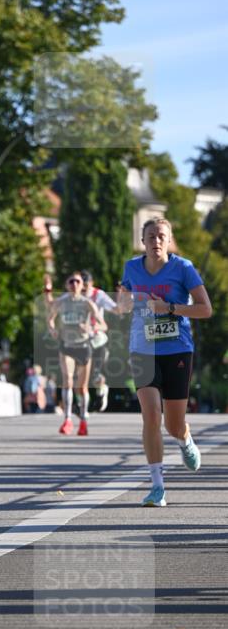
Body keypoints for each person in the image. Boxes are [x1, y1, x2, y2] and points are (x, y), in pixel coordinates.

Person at [117, 217, 212, 507]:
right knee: (150, 415)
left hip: (177, 349)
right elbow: (122, 305)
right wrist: (127, 300)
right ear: (142, 241)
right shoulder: (131, 267)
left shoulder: (183, 268)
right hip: (142, 348)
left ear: (169, 241)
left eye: (161, 236)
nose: (156, 241)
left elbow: (205, 309)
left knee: (173, 424)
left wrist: (168, 307)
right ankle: (157, 486)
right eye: (151, 236)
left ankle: (184, 439)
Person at [47, 272, 106, 436]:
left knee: (82, 388)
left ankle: (83, 420)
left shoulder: (87, 303)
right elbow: (50, 318)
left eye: (77, 281)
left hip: (83, 346)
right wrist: (52, 329)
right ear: (67, 285)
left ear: (82, 285)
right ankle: (67, 420)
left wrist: (90, 328)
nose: (74, 284)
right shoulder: (61, 302)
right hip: (66, 345)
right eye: (71, 281)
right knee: (67, 381)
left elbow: (103, 325)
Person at [80, 269, 119, 412]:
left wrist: (121, 298)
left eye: (85, 286)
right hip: (80, 340)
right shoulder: (74, 296)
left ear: (91, 283)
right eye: (81, 286)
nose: (83, 289)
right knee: (80, 374)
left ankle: (101, 389)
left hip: (97, 338)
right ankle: (83, 403)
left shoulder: (99, 295)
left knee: (95, 374)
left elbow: (115, 309)